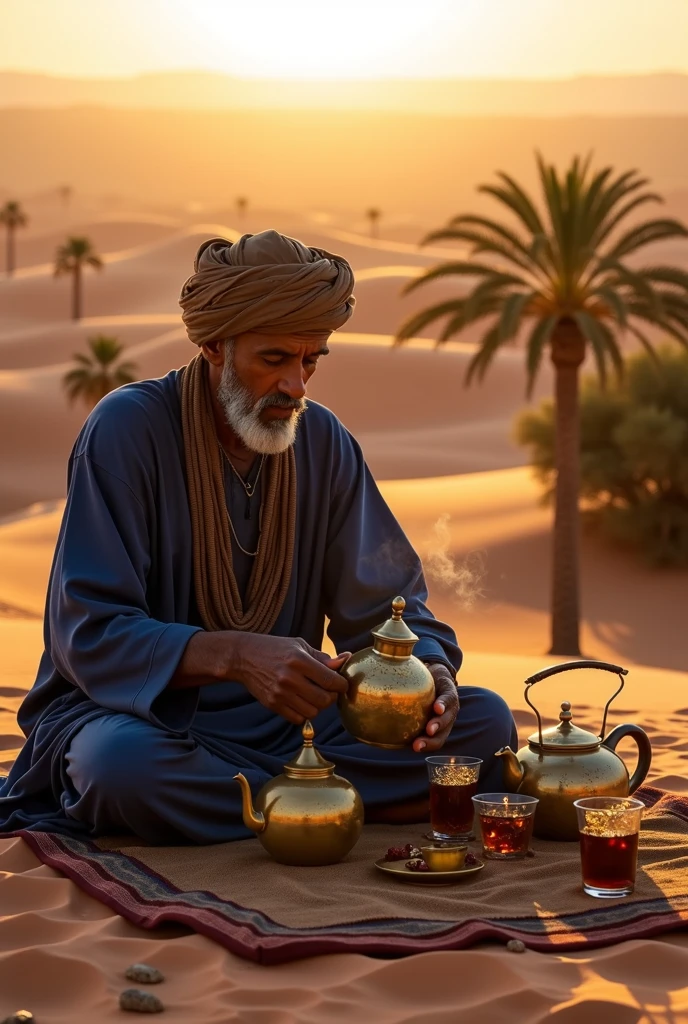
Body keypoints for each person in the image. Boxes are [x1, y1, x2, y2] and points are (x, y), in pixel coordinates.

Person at [0, 229, 516, 844]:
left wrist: (430, 675)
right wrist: (236, 656)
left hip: (291, 724)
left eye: (311, 361)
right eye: (274, 360)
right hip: (145, 719)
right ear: (216, 344)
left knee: (486, 725)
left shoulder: (322, 442)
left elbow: (387, 608)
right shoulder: (127, 429)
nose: (296, 385)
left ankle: (275, 805)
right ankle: (316, 804)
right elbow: (86, 631)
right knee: (119, 769)